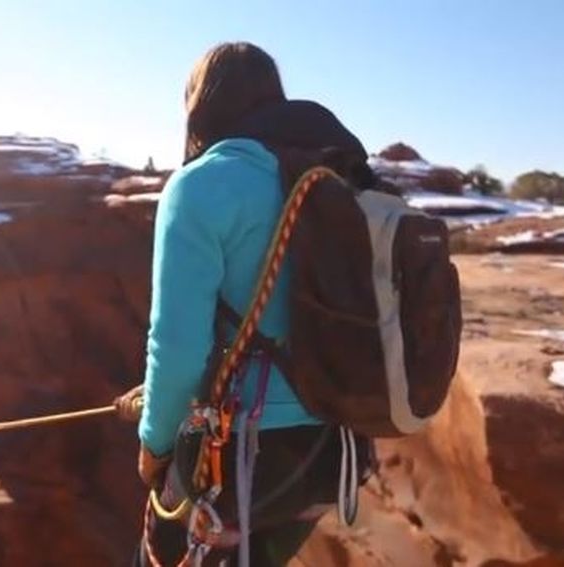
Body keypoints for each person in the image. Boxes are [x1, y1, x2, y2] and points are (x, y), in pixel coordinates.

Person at [118, 42, 374, 566]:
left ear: (199, 105)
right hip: (337, 450)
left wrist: (156, 443)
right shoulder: (341, 181)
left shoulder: (200, 187)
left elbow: (178, 346)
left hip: (243, 461)